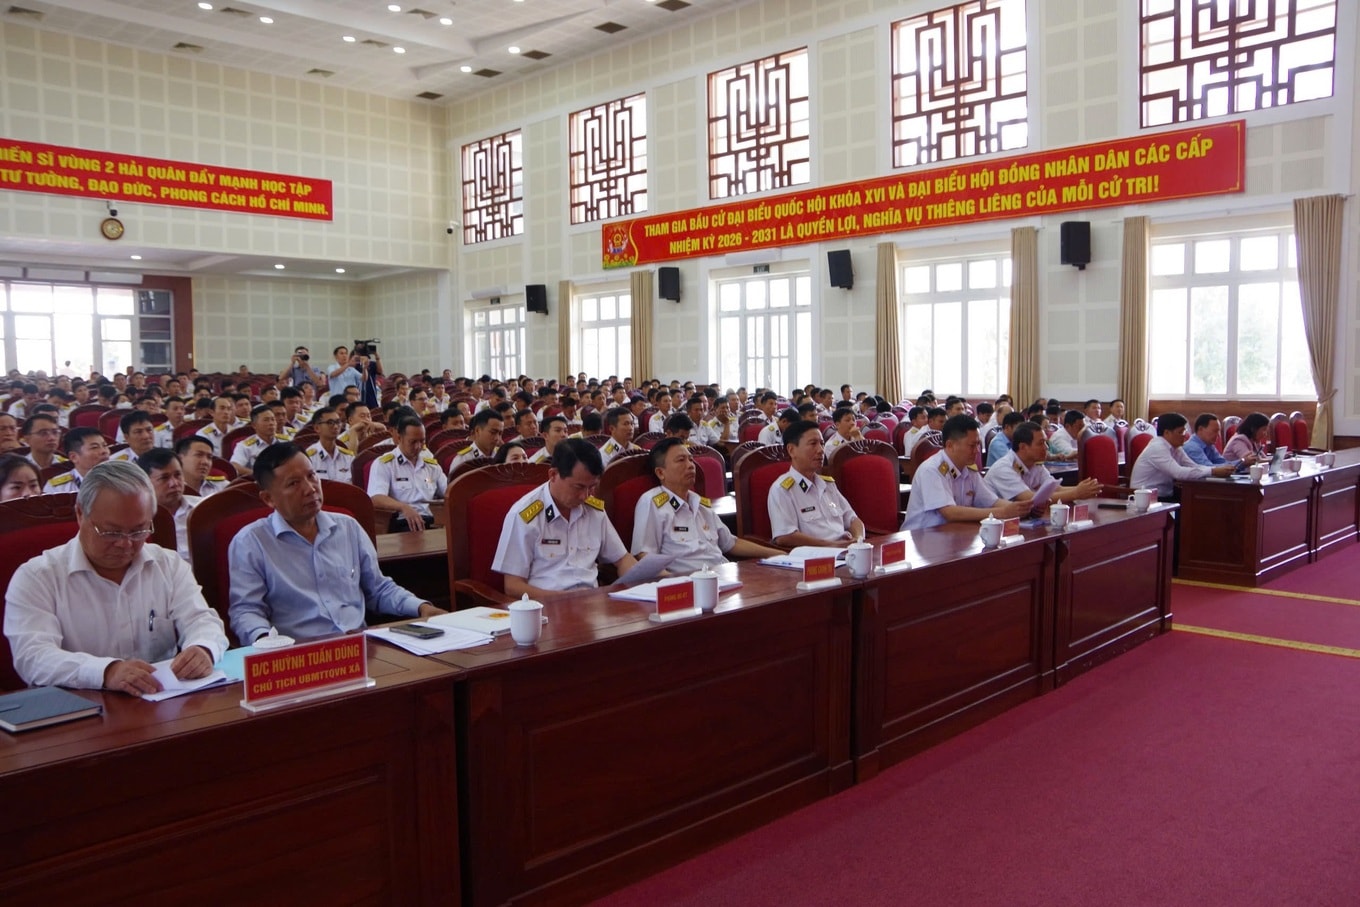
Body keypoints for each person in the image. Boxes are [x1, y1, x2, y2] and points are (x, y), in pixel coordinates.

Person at [4, 461, 228, 692]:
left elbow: (202, 621)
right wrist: (106, 672)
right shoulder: (37, 578)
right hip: (81, 705)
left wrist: (203, 648)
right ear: (80, 514)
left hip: (163, 700)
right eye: (111, 532)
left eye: (138, 531)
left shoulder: (168, 565)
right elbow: (33, 657)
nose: (125, 544)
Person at [228, 443, 445, 643]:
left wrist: (420, 607)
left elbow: (378, 589)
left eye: (312, 476)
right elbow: (246, 611)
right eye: (294, 483)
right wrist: (266, 641)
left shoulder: (348, 527)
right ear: (269, 499)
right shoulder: (251, 542)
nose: (310, 489)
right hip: (297, 654)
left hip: (359, 647)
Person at [492, 438, 638, 596]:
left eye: (592, 487)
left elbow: (622, 559)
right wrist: (565, 599)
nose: (585, 496)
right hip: (547, 604)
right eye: (579, 487)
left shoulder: (594, 510)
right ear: (553, 475)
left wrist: (643, 584)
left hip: (592, 603)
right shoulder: (525, 515)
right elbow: (513, 586)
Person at [632, 438, 782, 572]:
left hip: (722, 575)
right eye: (681, 460)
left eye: (691, 459)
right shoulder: (652, 503)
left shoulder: (700, 503)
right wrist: (673, 582)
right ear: (660, 473)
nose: (690, 465)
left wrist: (779, 554)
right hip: (688, 582)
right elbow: (644, 555)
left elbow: (731, 543)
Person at [901, 415, 1028, 530]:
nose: (977, 451)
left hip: (955, 533)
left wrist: (1020, 508)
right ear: (950, 445)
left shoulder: (969, 470)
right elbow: (950, 513)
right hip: (922, 537)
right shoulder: (931, 470)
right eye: (972, 446)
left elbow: (992, 501)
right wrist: (1002, 513)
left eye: (978, 445)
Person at [767, 420, 865, 547]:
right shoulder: (782, 490)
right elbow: (785, 536)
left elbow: (853, 519)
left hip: (845, 549)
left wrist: (858, 540)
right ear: (791, 450)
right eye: (813, 444)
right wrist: (832, 545)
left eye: (822, 444)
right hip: (816, 554)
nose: (821, 450)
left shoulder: (828, 484)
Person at [983, 422, 1100, 507]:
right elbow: (1030, 499)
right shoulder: (1005, 468)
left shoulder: (1035, 464)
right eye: (1041, 443)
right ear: (1023, 447)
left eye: (1045, 442)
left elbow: (1055, 489)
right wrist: (1076, 493)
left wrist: (1085, 489)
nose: (1046, 447)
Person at [367, 416, 446, 532]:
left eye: (422, 441)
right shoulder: (385, 464)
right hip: (402, 522)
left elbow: (449, 493)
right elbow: (376, 497)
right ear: (399, 438)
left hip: (432, 521)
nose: (418, 446)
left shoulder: (431, 466)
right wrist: (403, 507)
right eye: (413, 442)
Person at [1128, 412, 1234, 498]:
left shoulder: (1176, 447)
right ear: (1167, 433)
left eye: (1184, 431)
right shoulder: (1157, 448)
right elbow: (1178, 473)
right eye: (1180, 432)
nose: (1184, 436)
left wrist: (1214, 471)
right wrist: (1213, 471)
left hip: (1165, 495)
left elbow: (1193, 466)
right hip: (1145, 498)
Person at [136, 447, 197, 563]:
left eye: (178, 475)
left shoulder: (204, 509)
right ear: (145, 483)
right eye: (164, 478)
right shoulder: (136, 517)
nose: (174, 483)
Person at [43, 426, 110, 494]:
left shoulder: (116, 478)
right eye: (94, 447)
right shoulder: (58, 488)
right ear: (74, 457)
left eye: (105, 445)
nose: (104, 451)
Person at [1183, 413, 1257, 468]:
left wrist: (1242, 463)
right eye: (1214, 431)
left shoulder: (1209, 445)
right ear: (1200, 429)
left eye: (1218, 431)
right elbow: (1209, 468)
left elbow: (1223, 463)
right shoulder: (1192, 447)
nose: (1218, 435)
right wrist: (1242, 462)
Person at [303, 406, 355, 482]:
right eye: (330, 423)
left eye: (338, 422)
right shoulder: (309, 458)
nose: (336, 426)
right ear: (317, 428)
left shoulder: (348, 457)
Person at [229, 405, 284, 475]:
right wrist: (258, 475)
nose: (271, 423)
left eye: (273, 419)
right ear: (254, 425)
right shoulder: (245, 446)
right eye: (266, 420)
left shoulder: (287, 441)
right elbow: (235, 466)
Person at [447, 409, 503, 473]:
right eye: (493, 432)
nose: (497, 438)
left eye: (500, 433)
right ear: (477, 431)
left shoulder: (502, 455)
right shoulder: (463, 460)